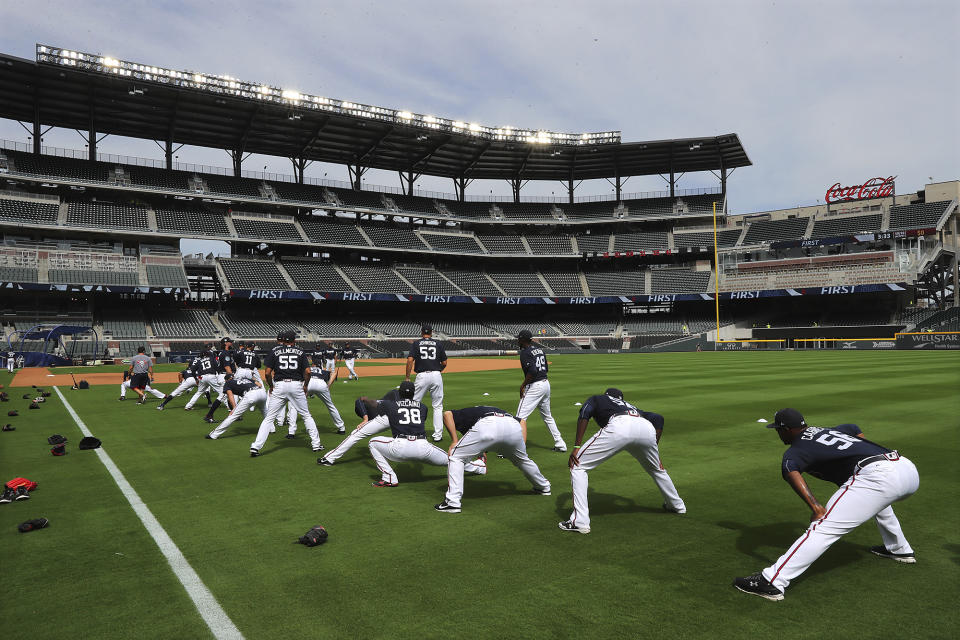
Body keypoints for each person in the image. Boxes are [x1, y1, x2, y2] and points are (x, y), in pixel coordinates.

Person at [733, 408, 919, 601]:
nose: (778, 434)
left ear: (786, 429)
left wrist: (816, 507)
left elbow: (790, 470)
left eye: (778, 430)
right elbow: (853, 428)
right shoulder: (827, 430)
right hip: (906, 468)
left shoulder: (796, 449)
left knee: (823, 527)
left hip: (879, 475)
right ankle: (899, 548)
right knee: (877, 499)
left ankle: (772, 581)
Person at [559, 389, 686, 534]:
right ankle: (677, 505)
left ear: (607, 395)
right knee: (657, 469)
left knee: (578, 466)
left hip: (621, 425)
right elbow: (658, 418)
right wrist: (652, 449)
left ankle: (579, 521)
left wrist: (576, 446)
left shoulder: (598, 398)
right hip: (645, 427)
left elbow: (584, 413)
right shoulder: (630, 406)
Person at [435, 405, 551, 514]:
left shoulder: (468, 412)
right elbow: (522, 421)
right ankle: (543, 486)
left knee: (456, 457)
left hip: (488, 424)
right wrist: (520, 447)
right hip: (513, 427)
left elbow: (447, 414)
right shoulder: (494, 410)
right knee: (522, 460)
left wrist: (454, 441)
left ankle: (452, 502)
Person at [366, 381, 485, 487]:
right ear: (413, 394)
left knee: (373, 443)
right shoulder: (423, 407)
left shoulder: (390, 405)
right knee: (452, 459)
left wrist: (365, 400)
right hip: (423, 447)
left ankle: (389, 478)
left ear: (400, 393)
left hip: (399, 448)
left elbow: (374, 404)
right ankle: (479, 468)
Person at [249, 329, 323, 457]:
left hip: (279, 385)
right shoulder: (300, 351)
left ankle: (256, 447)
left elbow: (267, 373)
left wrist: (271, 386)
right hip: (296, 385)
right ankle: (316, 445)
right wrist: (305, 386)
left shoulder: (274, 351)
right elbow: (308, 372)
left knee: (269, 418)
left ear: (283, 340)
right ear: (294, 340)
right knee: (306, 415)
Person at [317, 387, 401, 465]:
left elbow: (359, 400)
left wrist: (365, 419)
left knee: (355, 434)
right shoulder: (381, 402)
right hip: (401, 417)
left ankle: (329, 459)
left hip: (386, 417)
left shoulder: (373, 403)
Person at [515, 329, 566, 452]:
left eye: (519, 339)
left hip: (535, 386)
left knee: (519, 418)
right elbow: (546, 368)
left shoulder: (525, 353)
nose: (518, 340)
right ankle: (560, 444)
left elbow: (532, 371)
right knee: (547, 416)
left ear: (523, 340)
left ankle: (516, 448)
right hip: (545, 384)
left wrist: (523, 385)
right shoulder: (539, 350)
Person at [405, 324, 446, 441]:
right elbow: (445, 363)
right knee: (437, 406)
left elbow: (409, 360)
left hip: (421, 375)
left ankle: (413, 432)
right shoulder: (438, 343)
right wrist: (437, 371)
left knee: (414, 404)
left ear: (421, 332)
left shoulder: (416, 343)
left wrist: (407, 377)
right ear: (431, 332)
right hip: (436, 375)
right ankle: (438, 436)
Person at [285, 360, 345, 437]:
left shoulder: (307, 368)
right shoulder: (322, 371)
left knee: (294, 406)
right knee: (330, 406)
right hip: (321, 383)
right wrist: (329, 385)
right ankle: (341, 428)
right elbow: (334, 373)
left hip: (308, 382)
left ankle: (291, 432)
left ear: (312, 365)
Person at [206, 374, 266, 438]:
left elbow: (230, 395)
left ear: (226, 380)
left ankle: (213, 435)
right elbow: (260, 385)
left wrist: (234, 408)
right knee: (265, 412)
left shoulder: (228, 383)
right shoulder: (244, 379)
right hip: (262, 393)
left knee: (233, 416)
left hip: (251, 394)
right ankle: (271, 429)